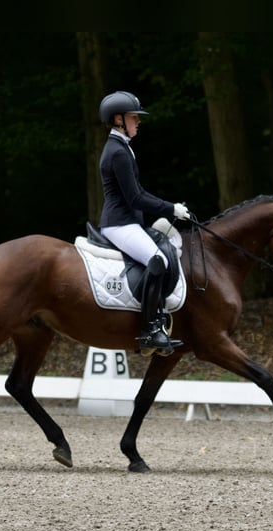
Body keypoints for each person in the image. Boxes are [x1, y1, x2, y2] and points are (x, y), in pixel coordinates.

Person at [97, 90, 190, 354]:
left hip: (127, 222)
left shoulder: (122, 148)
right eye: (133, 117)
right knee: (157, 261)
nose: (138, 121)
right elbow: (136, 197)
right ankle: (150, 329)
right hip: (120, 224)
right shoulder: (117, 152)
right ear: (118, 119)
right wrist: (171, 208)